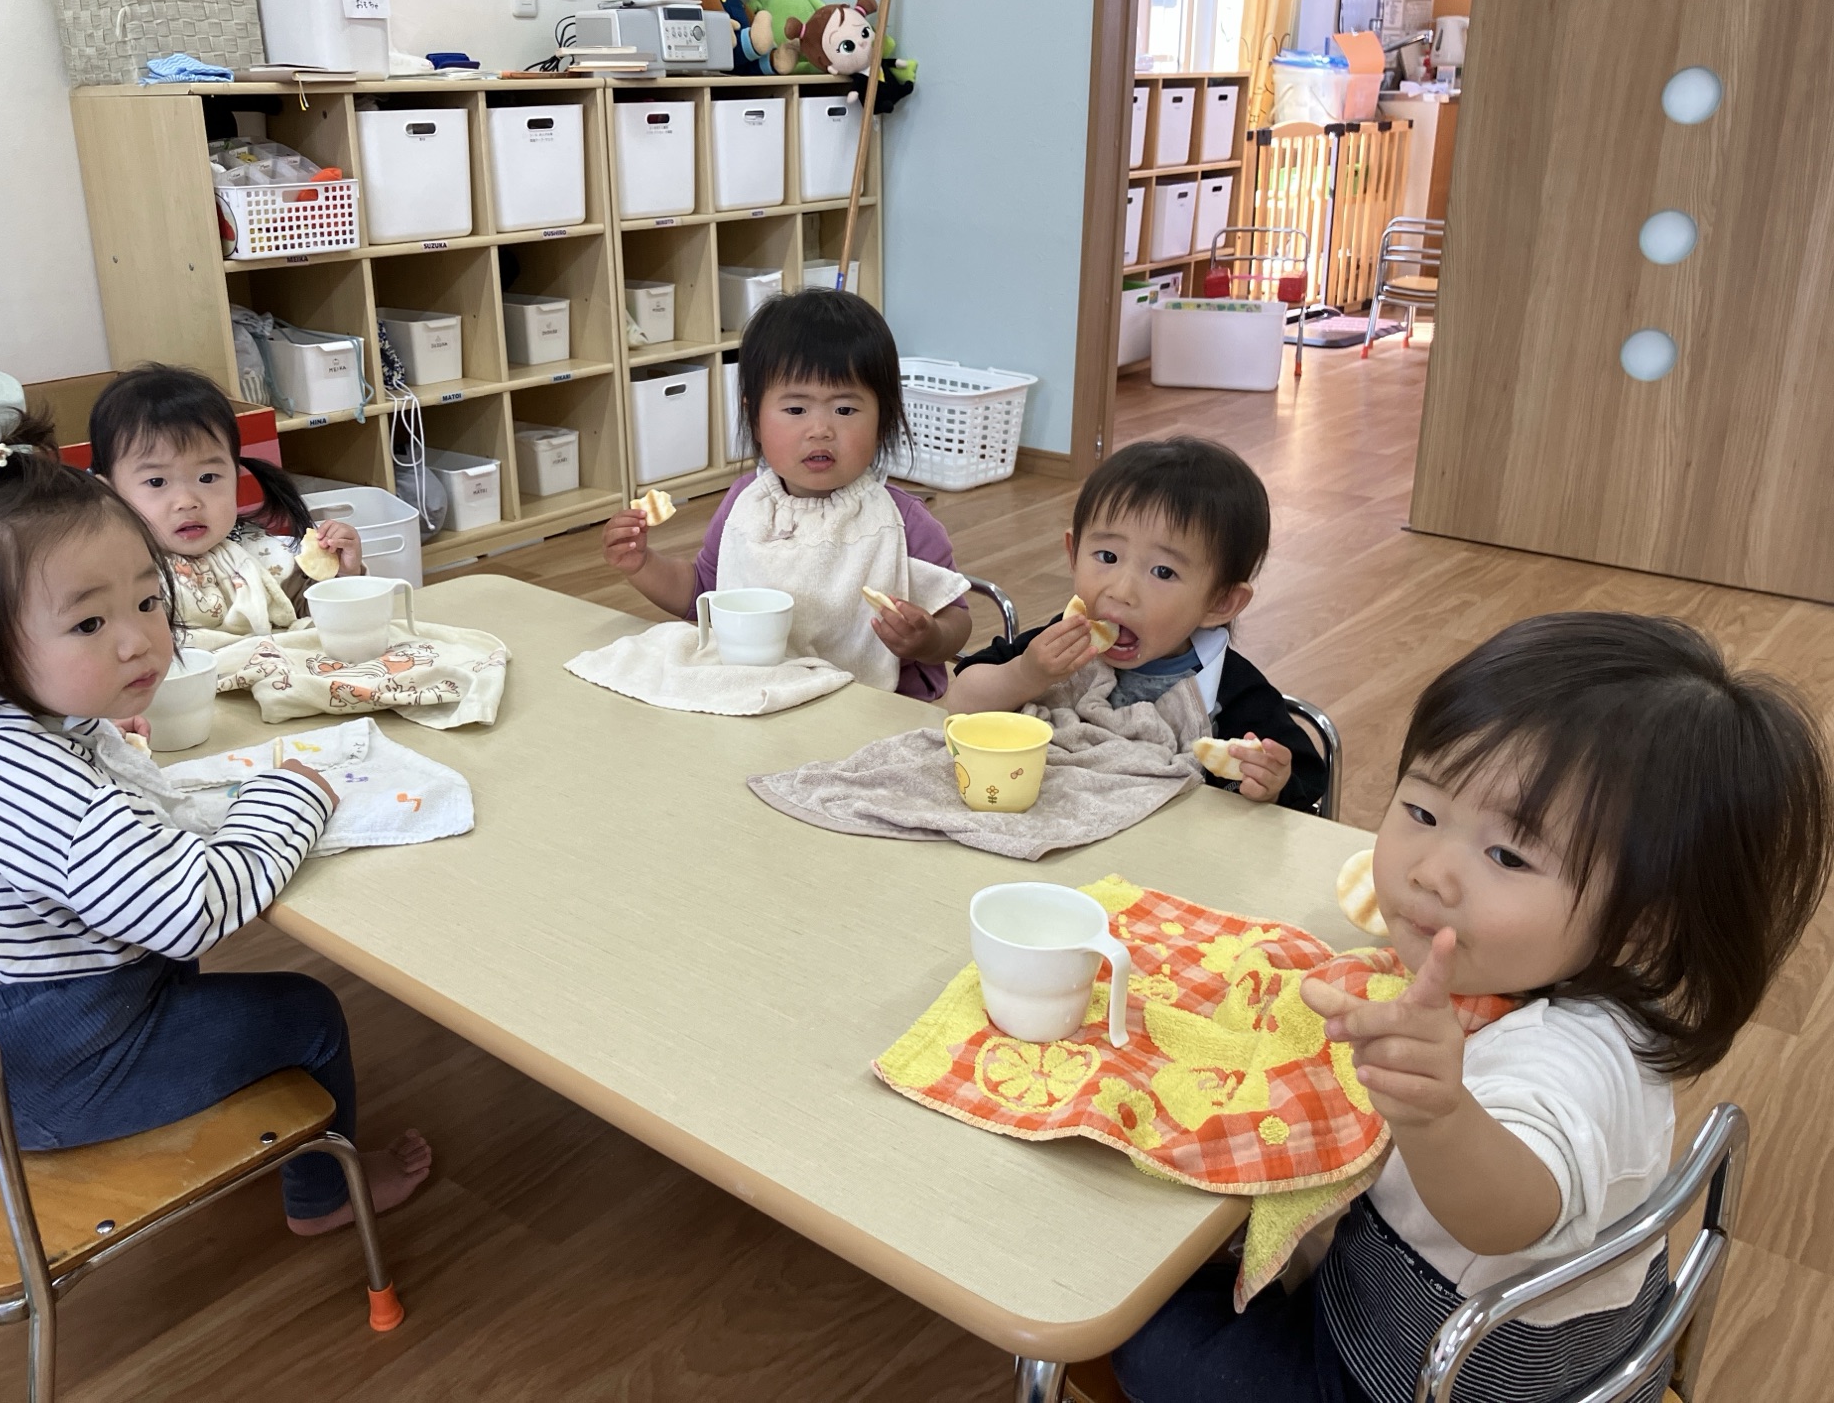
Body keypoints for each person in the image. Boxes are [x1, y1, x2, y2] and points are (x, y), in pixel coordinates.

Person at [1112, 612, 1831, 1403]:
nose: (1431, 872)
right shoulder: (1558, 970)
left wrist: (1440, 1115)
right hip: (1541, 1339)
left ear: (1645, 920)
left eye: (1508, 854)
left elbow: (1511, 1214)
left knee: (1145, 1328)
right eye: (1423, 813)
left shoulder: (1564, 1058)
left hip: (1412, 1374)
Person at [0, 419, 430, 1235]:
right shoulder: (52, 797)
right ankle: (324, 1198)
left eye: (146, 600)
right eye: (88, 625)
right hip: (34, 1071)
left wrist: (102, 738)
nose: (140, 640)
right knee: (308, 1011)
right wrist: (290, 799)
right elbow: (190, 912)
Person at [600, 288, 971, 700]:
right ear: (754, 418)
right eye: (796, 410)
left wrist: (928, 638)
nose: (820, 430)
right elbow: (703, 593)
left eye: (845, 410)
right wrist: (642, 564)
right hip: (762, 694)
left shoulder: (902, 523)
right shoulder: (746, 505)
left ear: (883, 420)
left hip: (871, 706)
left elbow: (956, 620)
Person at [949, 437, 1326, 812]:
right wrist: (1026, 674)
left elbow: (1303, 784)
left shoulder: (1228, 688)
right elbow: (959, 704)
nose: (1121, 591)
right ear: (1073, 554)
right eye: (1107, 556)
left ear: (1220, 602)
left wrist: (1270, 783)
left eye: (1163, 572)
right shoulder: (1059, 644)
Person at [90, 364, 363, 637]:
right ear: (109, 495)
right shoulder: (118, 576)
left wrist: (344, 575)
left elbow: (318, 616)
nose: (187, 502)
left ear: (235, 476)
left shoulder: (260, 552)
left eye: (207, 477)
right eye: (156, 482)